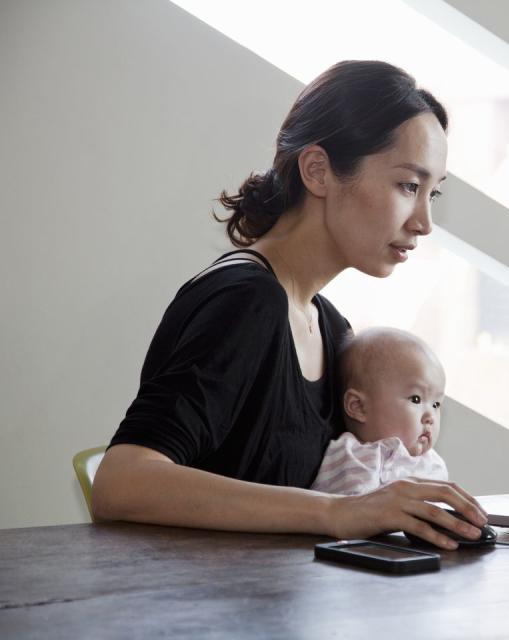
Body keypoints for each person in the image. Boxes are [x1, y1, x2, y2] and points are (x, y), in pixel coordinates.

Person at [91, 60, 487, 550]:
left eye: (433, 193)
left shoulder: (329, 326)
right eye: (408, 186)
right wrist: (338, 514)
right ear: (318, 171)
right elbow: (121, 482)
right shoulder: (245, 301)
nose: (424, 222)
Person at [311, 327, 448, 495]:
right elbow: (346, 513)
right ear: (358, 407)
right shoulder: (354, 457)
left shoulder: (433, 462)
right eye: (416, 399)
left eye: (436, 405)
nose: (430, 417)